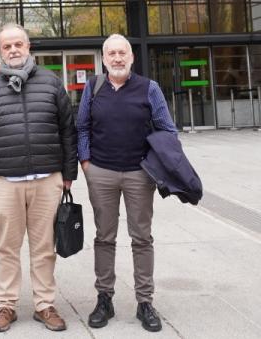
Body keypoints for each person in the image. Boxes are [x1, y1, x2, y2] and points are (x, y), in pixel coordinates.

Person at [0, 23, 77, 333]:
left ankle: (45, 305)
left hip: (47, 179)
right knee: (7, 247)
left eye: (18, 44)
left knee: (44, 247)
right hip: (5, 181)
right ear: (0, 51)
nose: (13, 50)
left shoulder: (51, 82)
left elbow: (67, 130)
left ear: (28, 47)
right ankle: (6, 305)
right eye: (7, 46)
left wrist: (69, 173)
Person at [76, 34, 175, 332]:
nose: (117, 58)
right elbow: (82, 127)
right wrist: (86, 163)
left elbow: (167, 130)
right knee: (104, 237)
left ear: (132, 57)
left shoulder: (149, 88)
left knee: (141, 238)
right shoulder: (93, 87)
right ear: (104, 58)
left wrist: (154, 166)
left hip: (139, 175)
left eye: (122, 53)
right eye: (112, 53)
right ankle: (104, 299)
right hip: (101, 173)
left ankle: (145, 302)